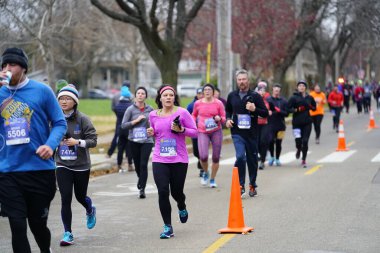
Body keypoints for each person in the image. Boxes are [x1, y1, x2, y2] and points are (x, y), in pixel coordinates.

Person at [0, 47, 67, 253]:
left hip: (39, 169)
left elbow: (59, 123)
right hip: (8, 171)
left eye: (11, 65)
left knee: (38, 225)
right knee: (17, 225)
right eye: (3, 65)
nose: (6, 69)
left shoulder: (42, 91)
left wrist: (50, 144)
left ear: (24, 68)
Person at [147, 85, 197, 239]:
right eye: (165, 95)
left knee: (176, 192)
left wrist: (182, 130)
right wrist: (151, 132)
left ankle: (181, 205)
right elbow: (155, 133)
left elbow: (195, 132)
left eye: (171, 95)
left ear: (174, 98)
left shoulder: (182, 112)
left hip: (179, 159)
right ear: (160, 98)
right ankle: (168, 226)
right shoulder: (153, 115)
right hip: (159, 158)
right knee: (163, 191)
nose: (168, 97)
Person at [55, 85, 97, 246]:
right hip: (62, 164)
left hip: (81, 165)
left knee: (80, 196)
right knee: (65, 197)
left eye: (67, 98)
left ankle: (89, 208)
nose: (64, 101)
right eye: (61, 99)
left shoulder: (83, 119)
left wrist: (77, 142)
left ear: (75, 101)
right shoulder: (55, 119)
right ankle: (68, 233)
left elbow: (93, 141)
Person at [225, 69, 268, 198]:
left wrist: (254, 109)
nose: (242, 82)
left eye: (244, 79)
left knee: (252, 160)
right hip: (237, 133)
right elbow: (228, 110)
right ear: (236, 81)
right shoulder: (232, 95)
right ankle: (240, 185)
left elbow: (265, 113)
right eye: (239, 80)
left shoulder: (255, 96)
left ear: (248, 81)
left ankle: (252, 184)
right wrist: (227, 120)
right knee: (240, 157)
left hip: (252, 133)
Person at [121, 86, 154, 198]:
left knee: (144, 164)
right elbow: (123, 125)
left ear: (145, 96)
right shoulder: (130, 109)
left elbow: (155, 123)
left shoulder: (150, 109)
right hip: (133, 140)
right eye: (138, 93)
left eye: (143, 93)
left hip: (147, 140)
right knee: (137, 165)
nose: (140, 95)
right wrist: (136, 121)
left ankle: (142, 189)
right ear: (135, 95)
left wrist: (152, 128)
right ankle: (141, 179)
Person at [192, 83, 226, 188]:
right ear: (203, 92)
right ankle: (206, 172)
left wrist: (219, 119)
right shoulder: (198, 103)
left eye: (209, 90)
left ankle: (212, 179)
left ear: (213, 92)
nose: (207, 91)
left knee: (216, 157)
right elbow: (193, 115)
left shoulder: (218, 103)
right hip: (202, 131)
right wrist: (193, 123)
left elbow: (224, 118)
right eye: (205, 90)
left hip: (216, 131)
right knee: (203, 156)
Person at [288, 80, 316, 168]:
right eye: (300, 86)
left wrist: (310, 107)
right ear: (297, 87)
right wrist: (297, 110)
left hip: (307, 122)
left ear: (305, 88)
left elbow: (314, 108)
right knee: (298, 141)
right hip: (296, 123)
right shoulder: (293, 98)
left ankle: (304, 160)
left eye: (303, 86)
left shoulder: (309, 97)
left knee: (305, 141)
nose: (301, 87)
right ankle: (298, 148)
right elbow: (288, 109)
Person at [107, 80, 131, 158]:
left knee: (116, 136)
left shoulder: (115, 95)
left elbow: (113, 108)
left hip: (119, 119)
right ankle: (128, 155)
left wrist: (118, 114)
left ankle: (110, 153)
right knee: (128, 137)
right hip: (128, 121)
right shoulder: (131, 95)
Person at [266, 84, 288, 166]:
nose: (276, 92)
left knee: (279, 143)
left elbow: (286, 113)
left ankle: (277, 158)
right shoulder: (268, 100)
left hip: (281, 125)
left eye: (278, 90)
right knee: (270, 141)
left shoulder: (283, 101)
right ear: (272, 90)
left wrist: (279, 111)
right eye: (275, 90)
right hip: (270, 125)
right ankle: (272, 157)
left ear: (280, 91)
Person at [115, 86, 134, 172]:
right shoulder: (131, 106)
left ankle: (119, 165)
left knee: (120, 148)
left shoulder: (117, 106)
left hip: (120, 129)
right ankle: (130, 165)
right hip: (128, 129)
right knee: (129, 148)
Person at [186, 87, 204, 176]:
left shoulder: (207, 104)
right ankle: (200, 160)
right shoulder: (191, 105)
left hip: (205, 132)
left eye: (202, 94)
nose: (201, 95)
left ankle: (202, 168)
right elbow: (186, 117)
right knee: (196, 152)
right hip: (195, 132)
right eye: (199, 94)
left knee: (203, 151)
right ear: (197, 94)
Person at [256, 84, 274, 170]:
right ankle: (261, 156)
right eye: (260, 90)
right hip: (255, 124)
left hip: (265, 124)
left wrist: (270, 112)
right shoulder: (253, 101)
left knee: (263, 141)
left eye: (263, 91)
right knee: (257, 143)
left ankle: (262, 161)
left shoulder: (268, 101)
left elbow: (273, 109)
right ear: (257, 92)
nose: (262, 92)